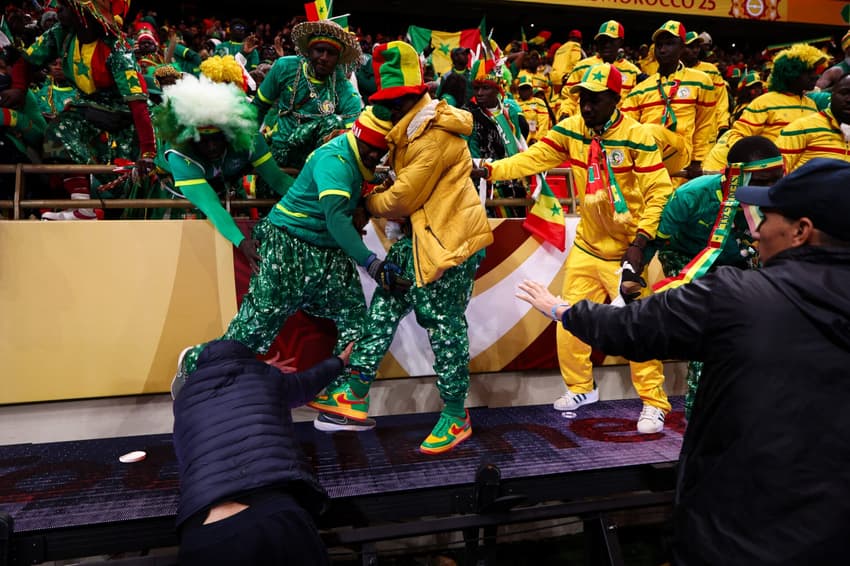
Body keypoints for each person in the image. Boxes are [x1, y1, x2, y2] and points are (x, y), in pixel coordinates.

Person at [516, 157, 850, 565]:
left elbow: (634, 329)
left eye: (768, 216)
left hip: (740, 535)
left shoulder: (737, 296)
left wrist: (562, 310)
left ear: (801, 231)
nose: (756, 229)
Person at [309, 40, 493, 455]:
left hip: (449, 243)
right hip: (416, 239)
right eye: (388, 102)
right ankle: (355, 392)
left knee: (443, 325)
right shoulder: (409, 131)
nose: (391, 110)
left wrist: (364, 203)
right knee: (386, 305)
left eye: (399, 102)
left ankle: (455, 414)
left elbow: (402, 198)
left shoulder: (433, 135)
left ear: (418, 95)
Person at [472, 63, 674, 433]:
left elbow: (660, 193)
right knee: (568, 318)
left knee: (638, 328)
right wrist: (489, 170)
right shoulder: (571, 130)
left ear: (615, 99)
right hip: (587, 246)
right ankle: (581, 388)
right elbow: (530, 159)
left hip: (630, 250)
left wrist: (642, 241)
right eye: (583, 98)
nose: (587, 106)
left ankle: (654, 403)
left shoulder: (639, 136)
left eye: (596, 100)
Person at [172, 105, 398, 394]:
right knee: (248, 336)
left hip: (328, 252)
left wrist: (343, 201)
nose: (374, 155)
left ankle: (342, 397)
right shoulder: (336, 160)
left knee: (356, 322)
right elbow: (336, 219)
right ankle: (194, 362)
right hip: (287, 247)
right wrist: (372, 263)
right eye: (370, 146)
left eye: (380, 150)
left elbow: (284, 183)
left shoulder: (253, 138)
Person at [172, 338, 354, 565]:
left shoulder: (184, 398)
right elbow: (307, 383)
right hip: (271, 513)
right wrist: (339, 361)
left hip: (200, 528)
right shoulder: (264, 375)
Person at [648, 136, 785, 417]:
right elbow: (655, 241)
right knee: (709, 326)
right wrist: (631, 275)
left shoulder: (782, 198)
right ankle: (699, 412)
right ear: (735, 177)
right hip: (686, 262)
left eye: (776, 179)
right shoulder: (691, 195)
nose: (771, 189)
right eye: (761, 182)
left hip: (741, 265)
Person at [3, 0, 156, 221]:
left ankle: (86, 207)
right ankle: (82, 206)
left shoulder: (116, 48)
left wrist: (148, 152)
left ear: (85, 11)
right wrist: (18, 88)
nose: (58, 12)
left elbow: (137, 103)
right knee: (54, 138)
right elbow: (26, 61)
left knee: (65, 134)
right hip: (85, 106)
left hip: (122, 114)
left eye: (65, 7)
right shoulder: (60, 34)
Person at [150, 70, 294, 262]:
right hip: (179, 194)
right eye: (202, 140)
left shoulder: (250, 137)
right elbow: (211, 206)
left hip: (225, 182)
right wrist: (242, 242)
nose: (211, 147)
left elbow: (278, 179)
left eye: (217, 139)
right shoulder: (179, 153)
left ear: (231, 132)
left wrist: (320, 202)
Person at [253, 19, 363, 171]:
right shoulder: (284, 67)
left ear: (338, 58)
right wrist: (250, 149)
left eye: (331, 53)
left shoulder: (343, 87)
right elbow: (257, 108)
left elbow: (354, 133)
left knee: (334, 123)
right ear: (308, 51)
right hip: (280, 155)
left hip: (317, 164)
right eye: (319, 50)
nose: (324, 57)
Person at [621, 20, 716, 179]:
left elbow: (704, 124)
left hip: (681, 151)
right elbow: (625, 124)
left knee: (647, 131)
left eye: (670, 44)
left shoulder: (701, 80)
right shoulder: (641, 88)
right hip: (647, 150)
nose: (663, 50)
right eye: (659, 45)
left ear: (682, 48)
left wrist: (697, 160)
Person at [718, 43, 826, 168]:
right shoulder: (764, 102)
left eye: (815, 71)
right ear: (790, 74)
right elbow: (737, 136)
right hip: (772, 178)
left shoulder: (811, 104)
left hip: (803, 179)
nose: (815, 76)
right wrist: (758, 163)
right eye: (808, 72)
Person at [464, 56, 530, 218]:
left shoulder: (511, 111)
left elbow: (520, 139)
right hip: (484, 188)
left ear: (498, 88)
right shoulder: (466, 114)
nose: (479, 93)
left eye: (485, 88)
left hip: (514, 183)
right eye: (476, 88)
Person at [558, 20, 640, 120]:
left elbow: (634, 104)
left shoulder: (633, 72)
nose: (606, 44)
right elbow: (569, 97)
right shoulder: (582, 66)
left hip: (617, 131)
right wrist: (565, 113)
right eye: (602, 40)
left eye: (611, 40)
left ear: (620, 42)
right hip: (583, 128)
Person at [777, 71, 850, 171]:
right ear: (832, 95)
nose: (849, 99)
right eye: (844, 93)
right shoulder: (802, 127)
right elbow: (775, 173)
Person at [681, 31, 730, 141]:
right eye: (690, 47)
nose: (695, 50)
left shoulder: (711, 70)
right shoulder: (674, 70)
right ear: (681, 48)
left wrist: (723, 124)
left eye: (697, 46)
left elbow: (721, 99)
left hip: (706, 133)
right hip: (682, 132)